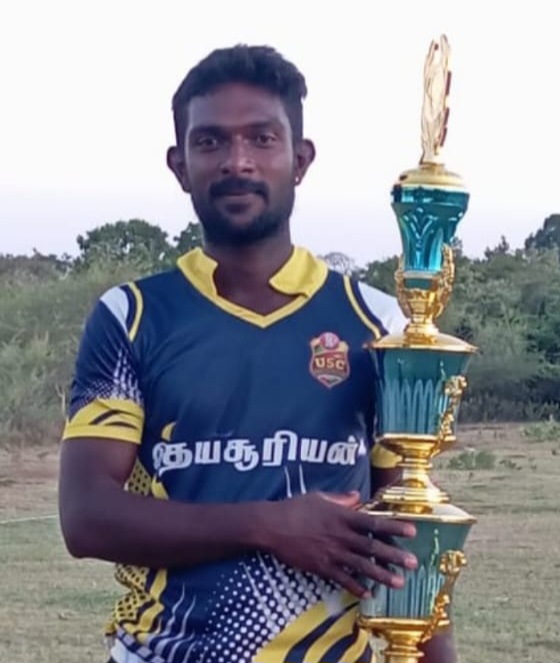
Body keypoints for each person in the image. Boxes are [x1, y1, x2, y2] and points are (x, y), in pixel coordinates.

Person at [58, 44, 456, 663]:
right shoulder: (132, 316)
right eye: (211, 142)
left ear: (300, 160)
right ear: (180, 165)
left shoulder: (378, 323)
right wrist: (271, 526)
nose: (237, 162)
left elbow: (409, 527)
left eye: (262, 139)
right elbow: (86, 518)